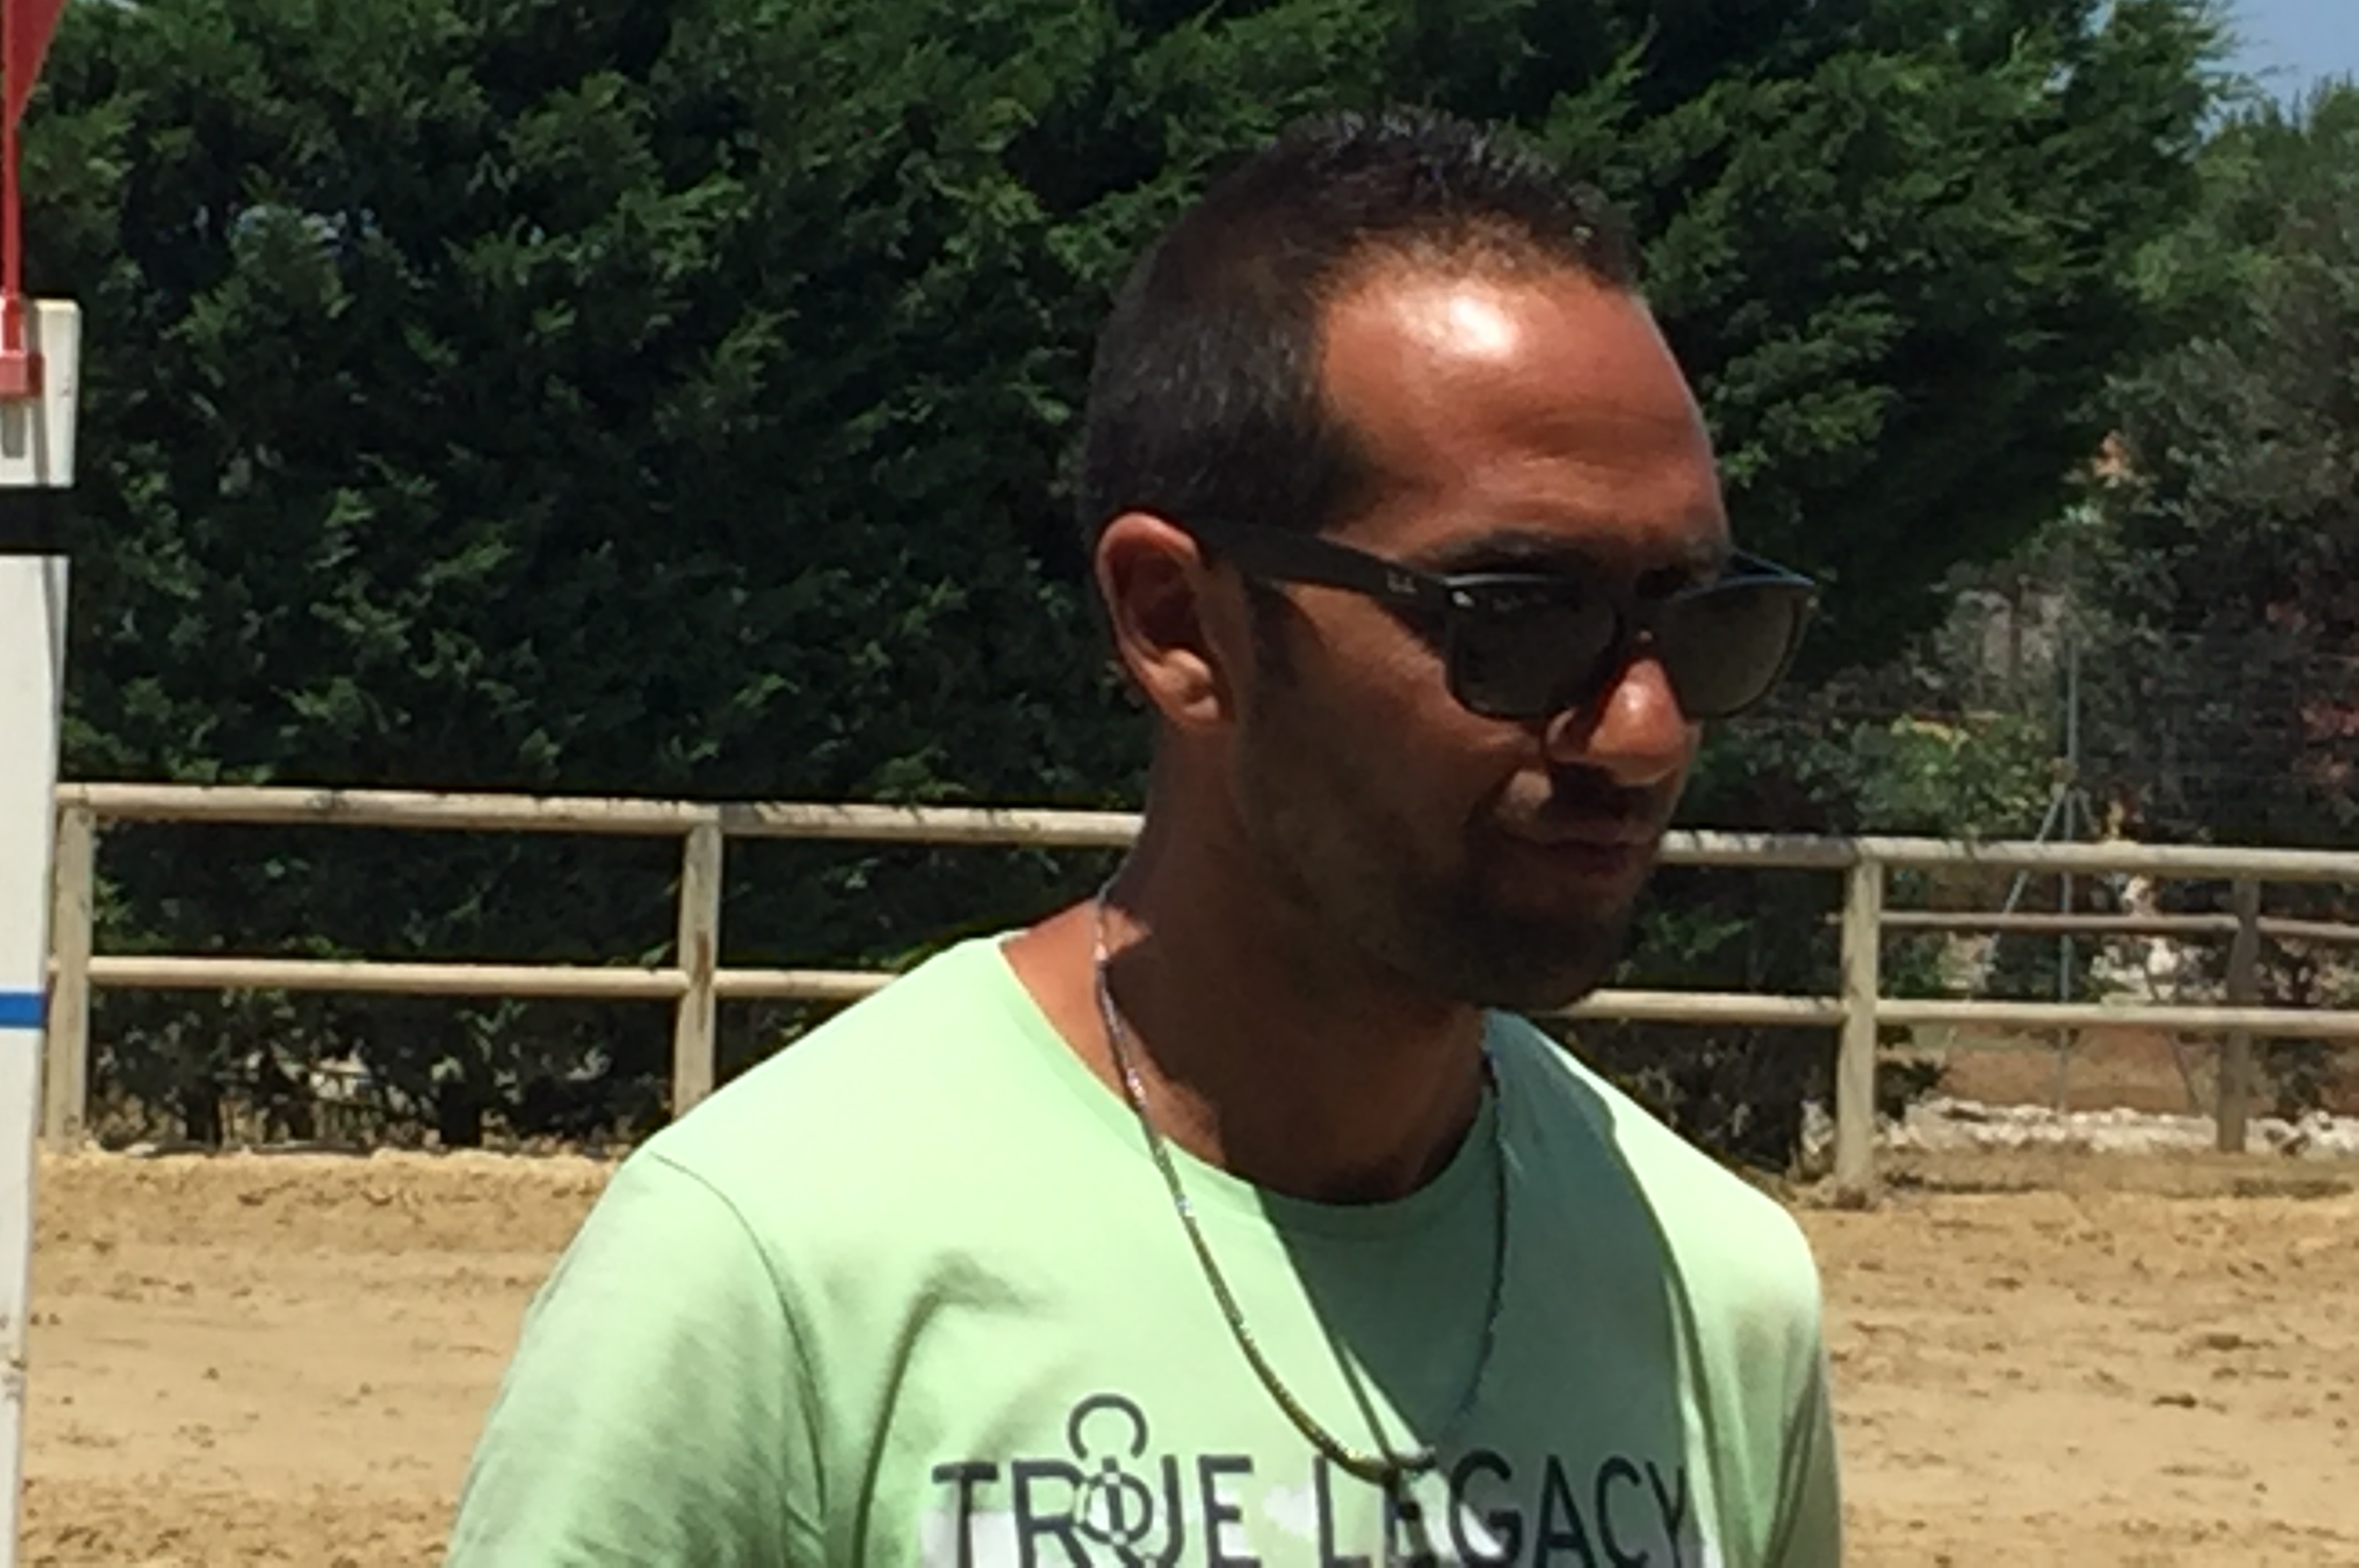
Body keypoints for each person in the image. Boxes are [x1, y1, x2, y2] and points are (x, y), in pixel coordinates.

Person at [447, 110, 1842, 1567]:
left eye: (1706, 623)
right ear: (1179, 624)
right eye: (1519, 617)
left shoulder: (1716, 1300)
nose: (1644, 730)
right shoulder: (774, 1268)